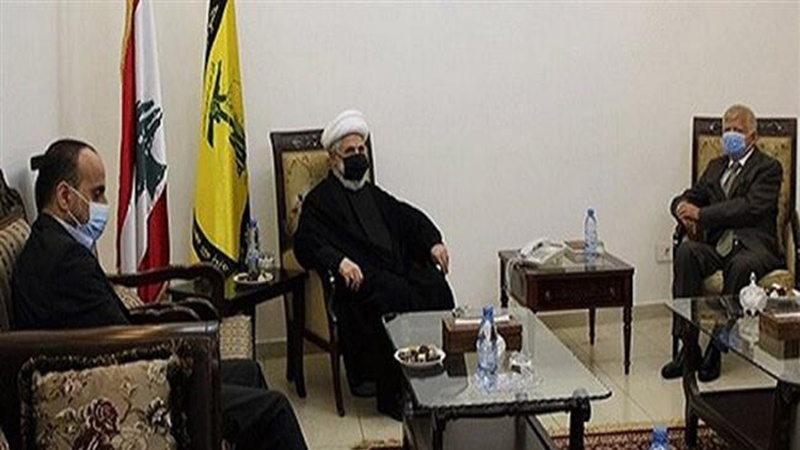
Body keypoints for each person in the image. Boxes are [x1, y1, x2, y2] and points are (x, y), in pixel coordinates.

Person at [12, 138, 308, 450]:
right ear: (64, 196)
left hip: (110, 367)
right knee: (274, 410)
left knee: (249, 372)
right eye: (97, 193)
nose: (104, 203)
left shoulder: (52, 244)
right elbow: (120, 342)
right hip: (122, 388)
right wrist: (179, 348)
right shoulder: (63, 260)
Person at [293, 109, 455, 419]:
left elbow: (408, 218)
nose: (358, 156)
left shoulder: (373, 194)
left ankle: (437, 381)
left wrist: (433, 242)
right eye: (350, 151)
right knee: (395, 296)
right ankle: (394, 395)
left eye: (361, 150)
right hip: (363, 283)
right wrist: (338, 261)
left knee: (435, 287)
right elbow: (305, 243)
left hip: (396, 271)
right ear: (333, 159)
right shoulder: (320, 201)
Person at [661, 105, 783, 382]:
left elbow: (748, 207)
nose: (731, 135)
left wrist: (701, 215)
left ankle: (717, 347)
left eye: (737, 130)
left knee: (740, 266)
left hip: (753, 247)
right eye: (727, 130)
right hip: (718, 246)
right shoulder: (716, 167)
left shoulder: (768, 168)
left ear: (753, 136)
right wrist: (681, 208)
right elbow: (690, 196)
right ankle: (688, 346)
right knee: (687, 252)